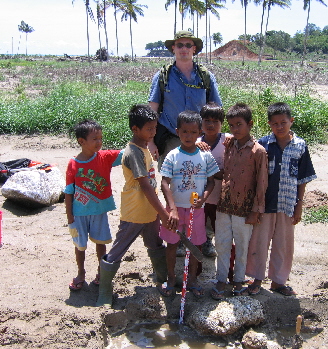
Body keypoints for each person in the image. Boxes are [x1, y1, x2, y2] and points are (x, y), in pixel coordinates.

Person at [96, 104, 178, 307]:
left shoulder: (144, 147)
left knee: (155, 245)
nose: (154, 132)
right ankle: (104, 291)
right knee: (118, 250)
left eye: (155, 128)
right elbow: (145, 186)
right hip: (134, 211)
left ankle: (161, 279)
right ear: (135, 129)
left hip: (149, 212)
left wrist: (158, 212)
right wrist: (164, 213)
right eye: (149, 129)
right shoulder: (133, 152)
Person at [246, 102, 317, 296]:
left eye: (283, 122)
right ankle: (256, 278)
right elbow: (254, 175)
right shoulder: (263, 145)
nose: (279, 127)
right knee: (259, 242)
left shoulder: (300, 146)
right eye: (275, 123)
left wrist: (299, 205)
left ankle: (278, 281)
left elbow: (302, 179)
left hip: (287, 204)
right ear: (269, 124)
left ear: (291, 121)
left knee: (282, 244)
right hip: (265, 204)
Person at [211, 103, 268, 300]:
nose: (235, 129)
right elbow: (225, 172)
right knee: (222, 244)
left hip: (244, 208)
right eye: (232, 125)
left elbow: (261, 183)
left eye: (239, 125)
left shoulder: (258, 151)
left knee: (242, 247)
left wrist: (256, 210)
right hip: (225, 204)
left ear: (250, 124)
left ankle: (238, 281)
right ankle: (221, 280)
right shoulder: (229, 145)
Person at [159, 110, 219, 297]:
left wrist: (204, 198)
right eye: (185, 132)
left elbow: (212, 181)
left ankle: (192, 279)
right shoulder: (173, 156)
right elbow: (164, 182)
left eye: (193, 132)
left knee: (195, 246)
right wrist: (173, 209)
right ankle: (170, 277)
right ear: (177, 132)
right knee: (171, 244)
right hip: (175, 210)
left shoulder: (205, 156)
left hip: (196, 210)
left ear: (199, 132)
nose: (188, 136)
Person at [148, 30, 222, 167]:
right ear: (173, 48)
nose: (184, 49)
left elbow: (217, 111)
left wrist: (219, 139)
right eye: (180, 45)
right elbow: (152, 111)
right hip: (170, 140)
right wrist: (150, 143)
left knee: (200, 183)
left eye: (188, 45)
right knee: (171, 184)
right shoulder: (162, 77)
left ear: (194, 49)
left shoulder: (206, 77)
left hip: (200, 141)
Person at [65, 119, 123, 291]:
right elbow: (68, 192)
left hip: (99, 211)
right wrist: (70, 217)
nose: (99, 142)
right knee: (80, 245)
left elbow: (127, 153)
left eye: (100, 138)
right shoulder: (73, 164)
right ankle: (81, 273)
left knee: (100, 243)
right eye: (95, 139)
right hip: (79, 214)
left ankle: (101, 271)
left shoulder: (104, 157)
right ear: (81, 142)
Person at [197, 102, 229, 257]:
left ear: (222, 124)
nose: (211, 125)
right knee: (200, 220)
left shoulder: (228, 140)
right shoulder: (195, 142)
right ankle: (202, 243)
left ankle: (214, 244)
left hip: (221, 195)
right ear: (200, 122)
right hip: (202, 194)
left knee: (218, 223)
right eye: (207, 121)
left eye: (215, 121)